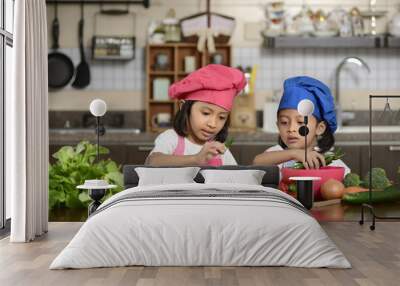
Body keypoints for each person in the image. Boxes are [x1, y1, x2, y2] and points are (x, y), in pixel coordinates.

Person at [146, 64, 246, 166]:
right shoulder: (171, 138)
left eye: (221, 117)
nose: (213, 124)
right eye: (206, 113)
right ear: (183, 106)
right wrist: (196, 159)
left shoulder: (218, 149)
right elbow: (152, 161)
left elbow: (233, 176)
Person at [253, 76, 350, 174]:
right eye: (284, 122)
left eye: (300, 122)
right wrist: (294, 153)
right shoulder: (276, 154)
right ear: (277, 125)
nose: (291, 129)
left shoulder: (328, 160)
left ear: (320, 128)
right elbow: (257, 162)